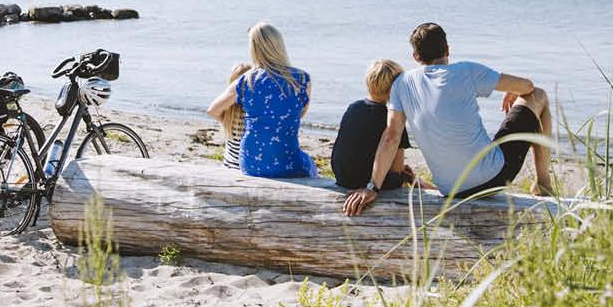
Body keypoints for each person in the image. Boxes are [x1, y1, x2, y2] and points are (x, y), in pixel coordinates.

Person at [343, 22, 554, 216]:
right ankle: (543, 184)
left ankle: (542, 184)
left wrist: (372, 187)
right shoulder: (467, 71)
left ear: (415, 56)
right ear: (448, 49)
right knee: (540, 95)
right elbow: (529, 87)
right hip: (493, 178)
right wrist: (514, 90)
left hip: (450, 189)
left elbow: (391, 137)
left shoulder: (402, 84)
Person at [208, 22, 316, 178]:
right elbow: (300, 114)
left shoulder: (247, 80)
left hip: (250, 162)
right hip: (287, 159)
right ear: (279, 45)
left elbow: (213, 110)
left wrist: (231, 121)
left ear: (254, 49)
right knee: (309, 164)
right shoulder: (302, 79)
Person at [330, 59, 418, 190]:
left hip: (343, 177)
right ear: (394, 89)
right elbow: (396, 170)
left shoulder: (354, 107)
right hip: (369, 182)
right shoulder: (392, 120)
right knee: (402, 179)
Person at [217, 62, 252, 169]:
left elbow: (213, 111)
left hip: (228, 166)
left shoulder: (227, 112)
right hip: (247, 167)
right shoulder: (253, 113)